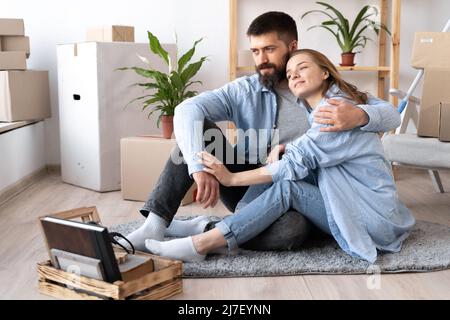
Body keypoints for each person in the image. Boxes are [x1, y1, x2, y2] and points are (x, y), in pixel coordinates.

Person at [121, 11, 401, 253]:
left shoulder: (324, 90)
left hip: (301, 190)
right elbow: (186, 109)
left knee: (293, 231)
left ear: (292, 46)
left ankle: (207, 230)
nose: (261, 59)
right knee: (198, 131)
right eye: (255, 51)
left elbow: (389, 114)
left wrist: (360, 115)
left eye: (269, 49)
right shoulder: (244, 89)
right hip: (246, 182)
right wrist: (197, 168)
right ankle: (155, 225)